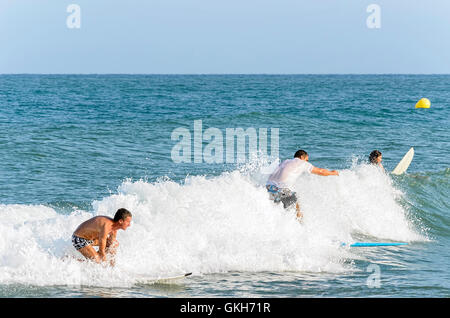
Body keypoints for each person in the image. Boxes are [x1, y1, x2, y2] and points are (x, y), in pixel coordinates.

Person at [266, 150, 339, 220]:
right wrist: (333, 173)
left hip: (268, 188)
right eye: (307, 160)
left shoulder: (285, 161)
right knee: (297, 209)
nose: (307, 162)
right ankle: (301, 227)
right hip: (282, 190)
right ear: (302, 157)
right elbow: (321, 171)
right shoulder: (302, 163)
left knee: (280, 210)